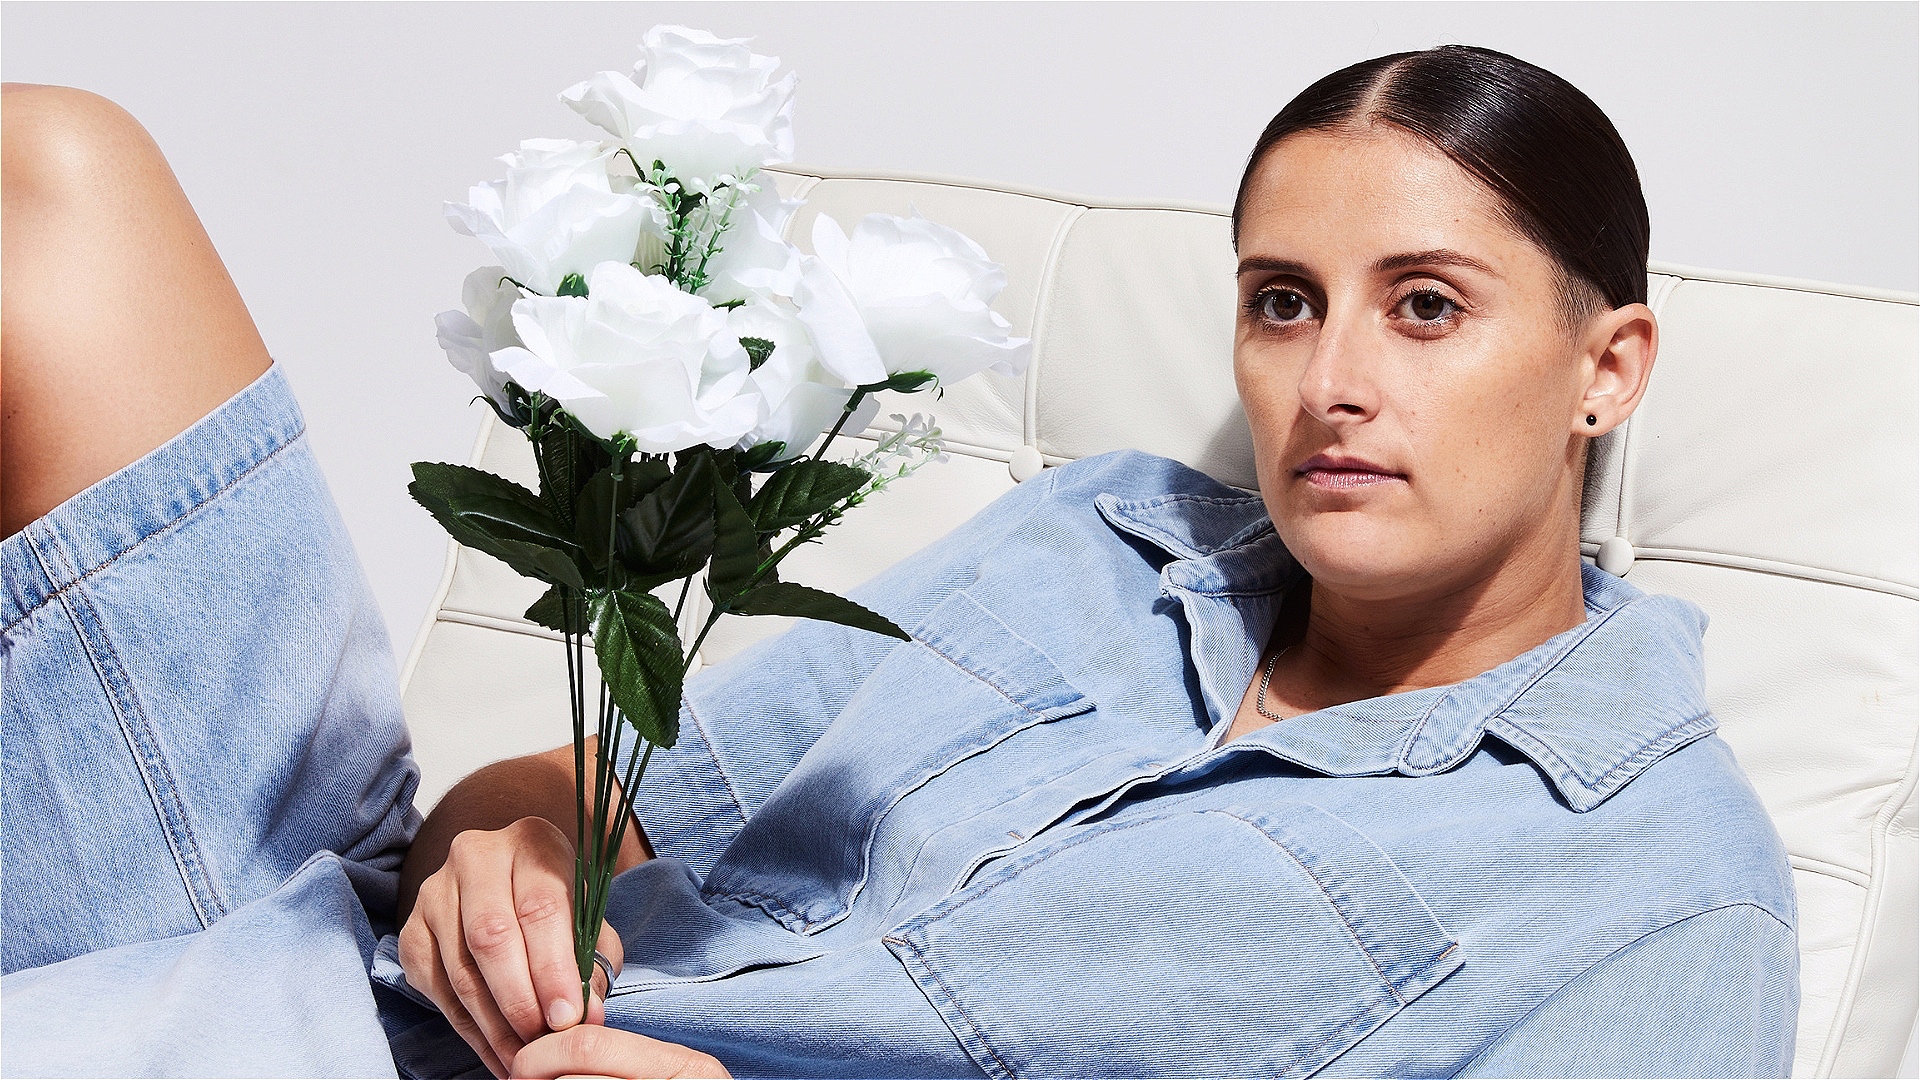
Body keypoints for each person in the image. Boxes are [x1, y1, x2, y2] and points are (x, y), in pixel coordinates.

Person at [0, 45, 1798, 1080]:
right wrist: (515, 847)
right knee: (48, 175)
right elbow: (606, 807)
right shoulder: (1106, 540)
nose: (1331, 381)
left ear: (1605, 368)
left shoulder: (1661, 888)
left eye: (1425, 308)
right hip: (387, 1006)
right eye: (1281, 303)